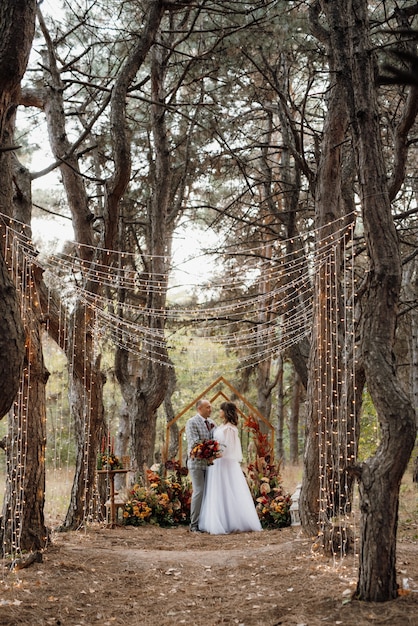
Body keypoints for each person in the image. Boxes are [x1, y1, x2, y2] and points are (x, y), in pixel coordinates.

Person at [199, 401, 262, 535]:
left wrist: (214, 456)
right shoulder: (220, 426)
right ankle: (219, 519)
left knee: (228, 490)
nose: (219, 412)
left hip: (225, 464)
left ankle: (232, 521)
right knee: (218, 491)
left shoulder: (230, 429)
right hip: (217, 464)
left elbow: (229, 449)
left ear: (226, 412)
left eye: (221, 410)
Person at [185, 398, 216, 532]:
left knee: (208, 492)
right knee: (199, 491)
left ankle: (205, 522)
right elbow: (194, 443)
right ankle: (194, 525)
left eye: (210, 407)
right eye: (208, 407)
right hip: (196, 463)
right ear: (200, 409)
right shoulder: (191, 422)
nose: (210, 409)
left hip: (210, 465)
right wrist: (211, 448)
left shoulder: (212, 423)